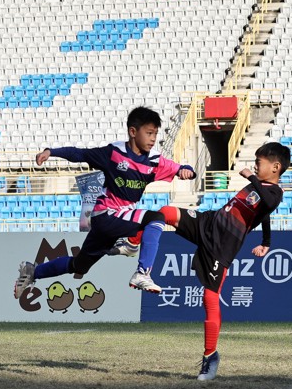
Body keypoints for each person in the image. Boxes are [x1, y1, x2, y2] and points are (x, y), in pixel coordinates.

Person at [113, 142, 290, 380]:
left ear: (276, 167)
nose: (254, 166)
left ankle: (210, 355)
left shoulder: (275, 192)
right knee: (164, 212)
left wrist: (252, 178)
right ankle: (133, 243)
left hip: (223, 245)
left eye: (259, 163)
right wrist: (266, 241)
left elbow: (268, 205)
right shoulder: (260, 187)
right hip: (208, 222)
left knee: (210, 297)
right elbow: (264, 214)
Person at [13, 106, 195, 298]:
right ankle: (141, 271)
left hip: (114, 221)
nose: (153, 139)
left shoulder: (155, 161)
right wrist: (51, 152)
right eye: (149, 133)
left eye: (155, 134)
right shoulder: (113, 153)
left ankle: (33, 271)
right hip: (106, 214)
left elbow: (182, 168)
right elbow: (80, 154)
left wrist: (187, 170)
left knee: (80, 265)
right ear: (133, 132)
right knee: (156, 218)